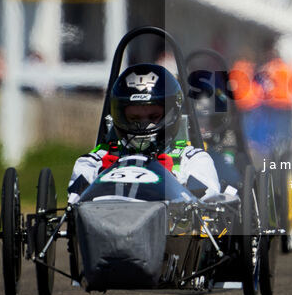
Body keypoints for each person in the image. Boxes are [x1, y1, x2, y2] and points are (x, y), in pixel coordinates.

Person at [66, 64, 223, 204]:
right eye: (134, 119)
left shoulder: (192, 161)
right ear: (119, 115)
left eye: (153, 117)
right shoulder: (92, 163)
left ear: (171, 113)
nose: (143, 126)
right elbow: (75, 205)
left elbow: (207, 205)